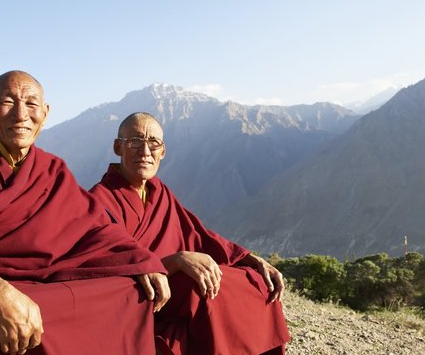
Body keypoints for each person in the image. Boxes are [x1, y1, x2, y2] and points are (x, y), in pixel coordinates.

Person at [0, 72, 170, 355]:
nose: (21, 114)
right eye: (8, 102)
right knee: (14, 318)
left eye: (32, 104)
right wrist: (1, 295)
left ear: (45, 113)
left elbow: (96, 229)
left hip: (46, 283)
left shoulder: (54, 170)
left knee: (129, 293)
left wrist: (142, 261)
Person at [90, 112, 291, 355]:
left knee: (255, 281)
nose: (145, 151)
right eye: (134, 141)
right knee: (200, 288)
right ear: (118, 147)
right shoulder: (99, 201)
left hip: (173, 291)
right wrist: (175, 261)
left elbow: (198, 234)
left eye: (153, 143)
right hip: (141, 300)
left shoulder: (159, 192)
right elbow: (109, 268)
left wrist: (251, 259)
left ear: (162, 152)